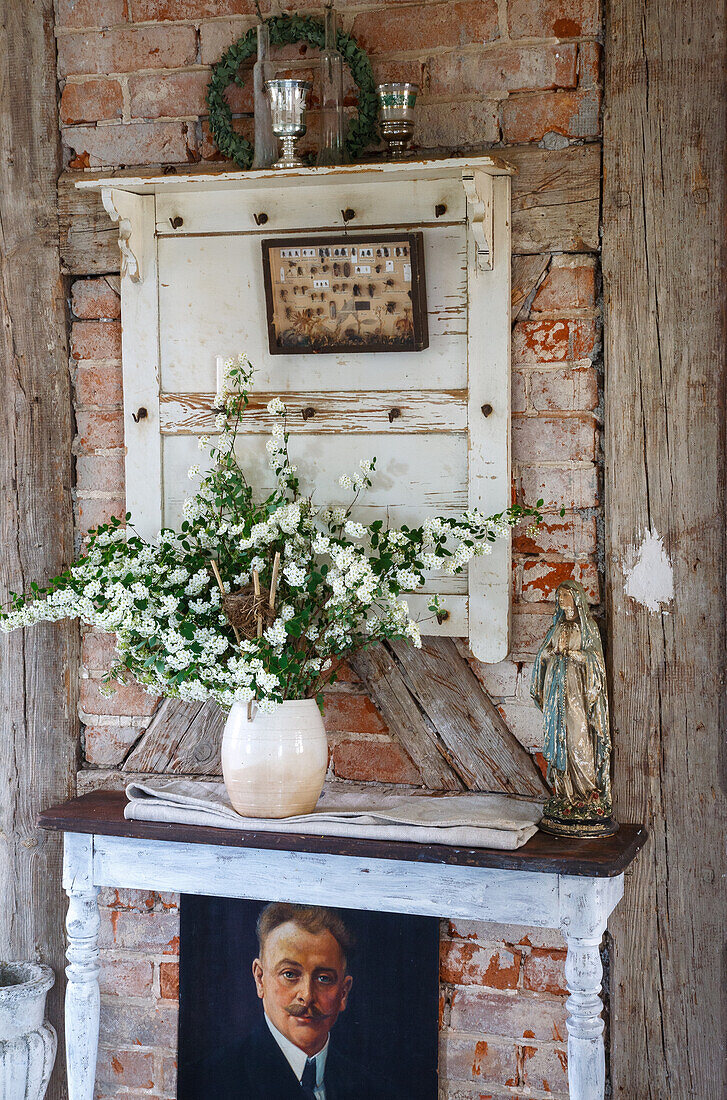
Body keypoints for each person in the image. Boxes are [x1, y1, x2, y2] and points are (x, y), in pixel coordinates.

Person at [191, 902, 398, 1099]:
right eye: (289, 974)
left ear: (343, 993)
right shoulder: (208, 1081)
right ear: (260, 979)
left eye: (323, 978)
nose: (307, 996)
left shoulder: (374, 1090)